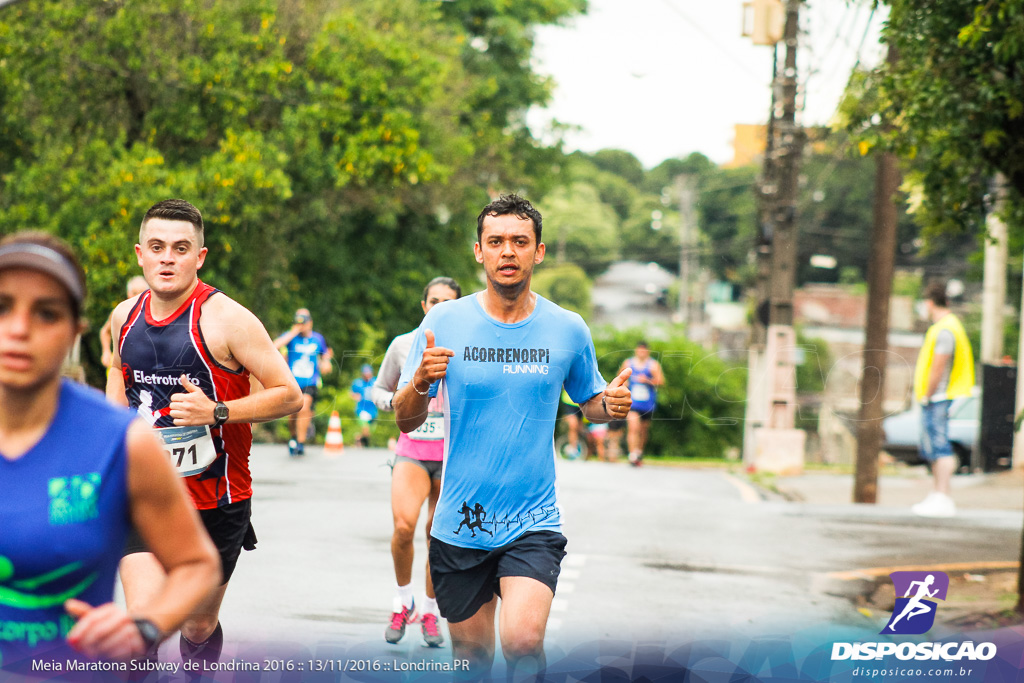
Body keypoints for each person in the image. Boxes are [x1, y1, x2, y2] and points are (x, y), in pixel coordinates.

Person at [393, 194, 632, 679]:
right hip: (460, 522)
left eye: (519, 242)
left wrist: (611, 407)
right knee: (473, 660)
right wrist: (419, 380)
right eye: (496, 241)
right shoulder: (442, 322)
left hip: (533, 520)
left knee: (523, 644)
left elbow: (590, 401)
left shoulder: (568, 328)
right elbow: (404, 419)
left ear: (538, 252)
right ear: (478, 251)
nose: (508, 251)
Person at [0, 231, 219, 675]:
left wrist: (145, 626)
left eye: (46, 313)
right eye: (2, 307)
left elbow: (196, 564)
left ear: (75, 331)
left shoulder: (119, 440)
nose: (19, 329)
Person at [106, 199, 303, 670]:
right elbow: (119, 371)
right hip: (147, 497)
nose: (167, 258)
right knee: (145, 622)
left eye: (180, 248)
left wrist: (216, 411)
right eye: (156, 247)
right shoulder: (123, 317)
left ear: (200, 256)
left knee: (196, 626)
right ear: (140, 254)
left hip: (218, 499)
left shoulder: (229, 320)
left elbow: (289, 396)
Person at [370, 276, 461, 648]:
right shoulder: (402, 345)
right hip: (412, 450)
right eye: (433, 300)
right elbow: (378, 389)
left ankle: (428, 610)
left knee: (434, 537)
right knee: (405, 527)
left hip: (453, 456)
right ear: (424, 305)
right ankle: (402, 600)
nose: (438, 307)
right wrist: (393, 403)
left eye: (447, 302)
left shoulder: (467, 346)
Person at [910, 281, 975, 518]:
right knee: (936, 446)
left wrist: (927, 394)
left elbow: (938, 367)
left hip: (939, 396)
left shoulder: (945, 329)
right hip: (940, 396)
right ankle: (939, 495)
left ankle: (942, 496)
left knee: (939, 446)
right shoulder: (948, 326)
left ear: (929, 303)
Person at [274, 308, 334, 456]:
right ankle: (294, 437)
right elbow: (274, 346)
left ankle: (300, 443)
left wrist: (326, 362)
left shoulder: (318, 339)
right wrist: (293, 332)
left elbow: (325, 355)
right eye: (299, 322)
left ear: (311, 322)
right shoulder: (291, 338)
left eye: (304, 322)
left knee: (305, 407)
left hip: (310, 382)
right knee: (292, 415)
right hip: (292, 382)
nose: (302, 325)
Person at [620, 340, 664, 466]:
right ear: (636, 350)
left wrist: (648, 381)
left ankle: (639, 451)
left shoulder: (653, 365)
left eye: (644, 350)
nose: (641, 352)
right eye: (639, 349)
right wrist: (625, 384)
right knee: (633, 427)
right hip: (632, 403)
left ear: (647, 351)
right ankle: (632, 454)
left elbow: (661, 381)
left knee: (643, 430)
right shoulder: (628, 363)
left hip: (647, 403)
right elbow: (620, 378)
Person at [99, 276, 148, 369]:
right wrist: (106, 351)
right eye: (134, 293)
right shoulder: (120, 312)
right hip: (120, 365)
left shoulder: (155, 312)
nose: (137, 296)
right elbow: (105, 331)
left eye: (141, 292)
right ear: (128, 293)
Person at [351, 363, 377, 447]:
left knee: (370, 430)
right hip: (362, 409)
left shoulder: (375, 382)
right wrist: (355, 396)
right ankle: (365, 444)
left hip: (372, 410)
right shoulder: (358, 383)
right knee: (365, 428)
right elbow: (352, 393)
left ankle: (359, 439)